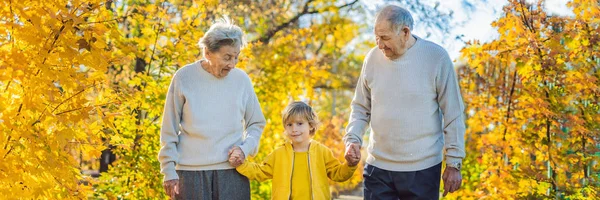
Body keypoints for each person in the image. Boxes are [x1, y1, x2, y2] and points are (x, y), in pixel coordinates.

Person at [343, 5, 466, 199]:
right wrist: (353, 140)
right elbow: (361, 107)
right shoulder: (372, 59)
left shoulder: (436, 58)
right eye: (376, 37)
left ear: (405, 32)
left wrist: (454, 163)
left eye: (385, 37)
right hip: (378, 167)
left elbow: (453, 113)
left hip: (422, 170)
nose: (379, 44)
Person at [158, 17, 266, 200]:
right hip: (190, 174)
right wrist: (168, 170)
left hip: (232, 173)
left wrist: (245, 149)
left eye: (236, 57)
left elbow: (256, 123)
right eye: (227, 57)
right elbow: (169, 128)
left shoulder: (241, 80)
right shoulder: (184, 77)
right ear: (207, 52)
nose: (232, 64)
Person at [229, 101, 360, 200]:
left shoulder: (322, 152)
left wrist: (350, 165)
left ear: (311, 126)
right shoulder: (279, 154)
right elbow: (260, 172)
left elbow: (339, 174)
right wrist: (241, 164)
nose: (294, 129)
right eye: (289, 124)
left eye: (299, 123)